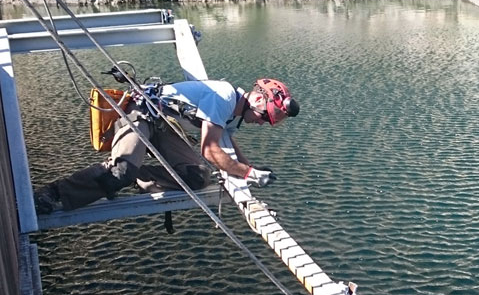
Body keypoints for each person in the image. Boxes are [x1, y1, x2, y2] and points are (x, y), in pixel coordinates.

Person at [33, 78, 300, 214]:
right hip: (142, 112)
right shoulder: (225, 98)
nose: (263, 124)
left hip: (164, 126)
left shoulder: (234, 113)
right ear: (256, 100)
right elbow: (210, 150)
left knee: (197, 176)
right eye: (265, 118)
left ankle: (137, 178)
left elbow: (229, 142)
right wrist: (247, 173)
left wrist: (248, 167)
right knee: (122, 169)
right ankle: (54, 193)